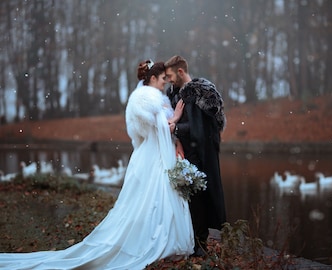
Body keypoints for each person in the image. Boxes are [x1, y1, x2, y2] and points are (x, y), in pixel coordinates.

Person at [0, 60, 194, 269]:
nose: (165, 83)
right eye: (163, 79)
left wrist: (176, 141)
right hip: (151, 155)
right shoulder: (145, 98)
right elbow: (157, 129)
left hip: (154, 152)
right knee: (150, 197)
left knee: (157, 196)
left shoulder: (153, 97)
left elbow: (158, 130)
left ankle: (160, 235)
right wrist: (174, 117)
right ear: (153, 78)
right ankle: (150, 239)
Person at [165, 55, 227, 256]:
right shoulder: (177, 95)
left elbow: (198, 129)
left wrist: (176, 128)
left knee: (199, 199)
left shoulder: (198, 94)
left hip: (200, 154)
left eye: (170, 75)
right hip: (185, 152)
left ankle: (200, 246)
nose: (169, 80)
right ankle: (193, 242)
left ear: (180, 72)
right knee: (189, 200)